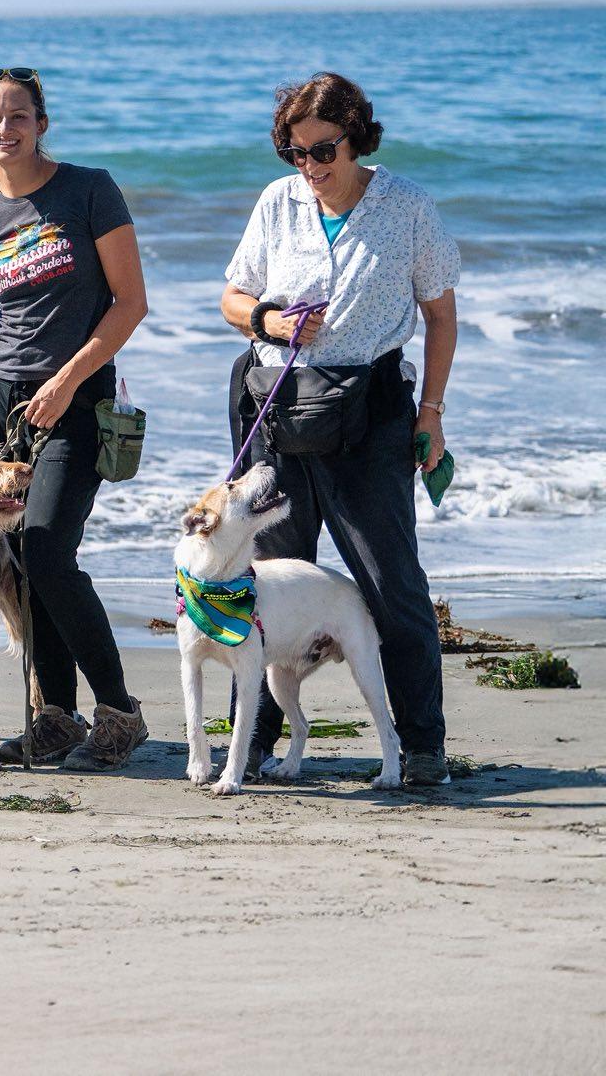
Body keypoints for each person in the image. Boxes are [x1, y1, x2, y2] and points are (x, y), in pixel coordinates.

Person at [220, 72, 460, 786]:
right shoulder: (278, 203)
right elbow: (233, 297)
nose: (312, 167)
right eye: (295, 153)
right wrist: (269, 318)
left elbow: (441, 318)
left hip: (371, 420)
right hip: (280, 415)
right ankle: (253, 742)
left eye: (324, 149)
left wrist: (432, 415)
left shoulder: (407, 207)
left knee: (391, 585)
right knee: (259, 586)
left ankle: (422, 746)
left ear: (357, 135)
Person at [0, 68, 151, 770]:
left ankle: (119, 713)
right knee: (21, 567)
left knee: (50, 547)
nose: (6, 128)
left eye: (19, 115)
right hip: (3, 410)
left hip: (79, 397)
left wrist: (66, 381)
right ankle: (53, 716)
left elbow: (130, 304)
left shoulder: (89, 191)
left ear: (42, 122)